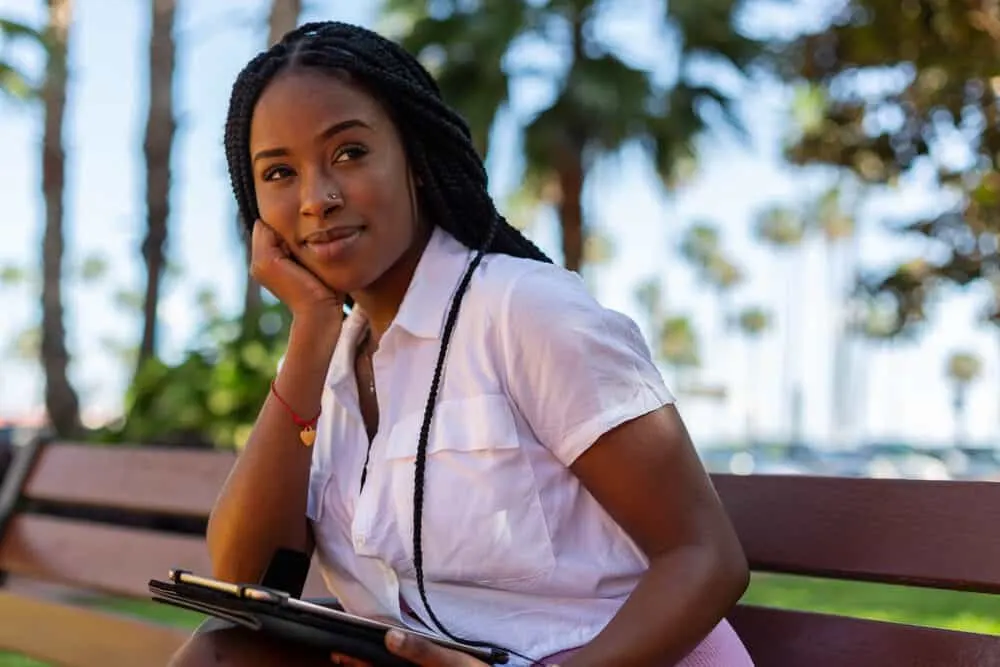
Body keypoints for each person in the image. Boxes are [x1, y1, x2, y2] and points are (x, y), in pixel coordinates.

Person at [169, 20, 754, 667]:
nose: (318, 198)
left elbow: (705, 557)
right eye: (279, 172)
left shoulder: (526, 312)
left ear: (415, 160)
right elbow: (248, 573)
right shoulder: (339, 361)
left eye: (349, 154)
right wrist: (311, 329)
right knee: (222, 655)